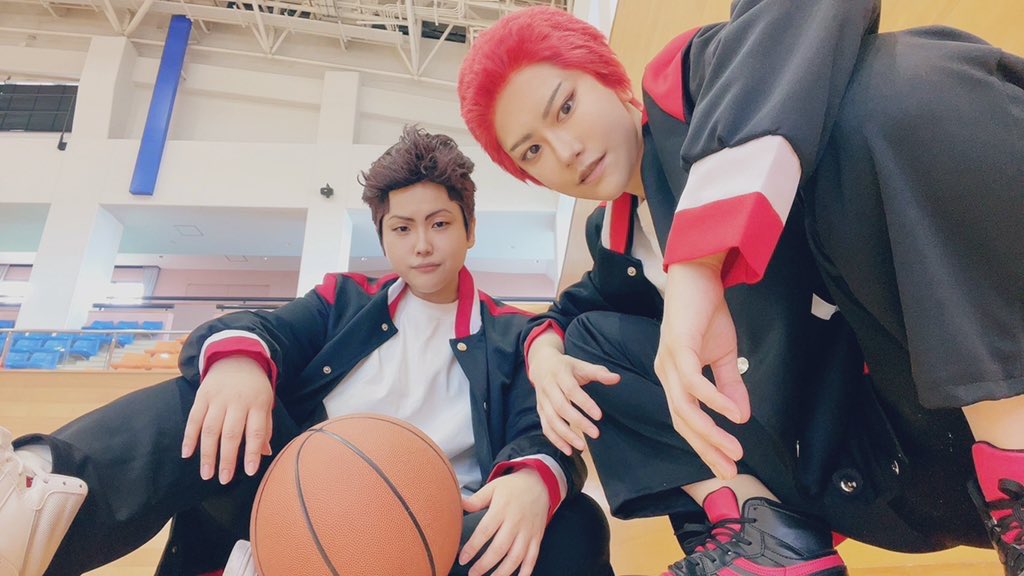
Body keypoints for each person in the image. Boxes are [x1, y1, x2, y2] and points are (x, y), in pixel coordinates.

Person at [458, 3, 1024, 575]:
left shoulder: (698, 85)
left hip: (948, 401)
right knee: (587, 345)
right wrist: (544, 354)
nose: (566, 151)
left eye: (566, 107)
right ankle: (770, 539)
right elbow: (567, 314)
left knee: (887, 85)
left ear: (612, 80)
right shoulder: (613, 243)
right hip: (866, 480)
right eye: (532, 151)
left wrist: (698, 260)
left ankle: (1016, 468)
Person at [0, 126, 612, 576]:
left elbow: (545, 428)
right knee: (206, 401)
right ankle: (30, 502)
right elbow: (260, 328)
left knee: (577, 525)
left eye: (440, 223)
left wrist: (535, 479)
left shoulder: (516, 334)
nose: (422, 244)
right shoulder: (345, 301)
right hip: (298, 491)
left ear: (470, 229)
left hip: (439, 527)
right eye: (402, 228)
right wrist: (241, 365)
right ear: (384, 239)